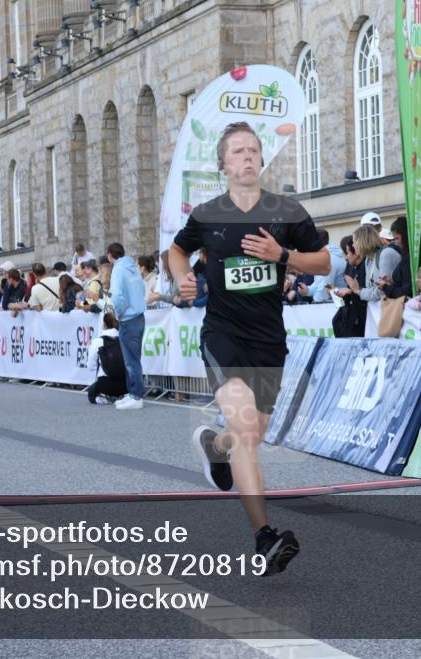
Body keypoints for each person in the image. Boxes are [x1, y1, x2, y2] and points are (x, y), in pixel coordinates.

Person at [169, 121, 329, 576]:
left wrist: (282, 256)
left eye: (253, 150)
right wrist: (180, 276)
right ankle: (264, 537)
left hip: (268, 338)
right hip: (223, 334)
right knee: (244, 428)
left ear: (261, 159)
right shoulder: (207, 214)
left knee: (248, 436)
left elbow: (323, 261)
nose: (247, 157)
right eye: (237, 151)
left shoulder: (286, 211)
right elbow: (177, 251)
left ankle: (215, 447)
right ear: (223, 165)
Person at [108, 242, 147, 410]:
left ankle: (136, 395)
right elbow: (142, 289)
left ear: (110, 255)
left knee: (131, 360)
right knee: (133, 358)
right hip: (139, 315)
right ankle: (132, 393)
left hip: (128, 318)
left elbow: (116, 296)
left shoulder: (118, 269)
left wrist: (119, 312)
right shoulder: (133, 267)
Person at [375, 216, 421, 299]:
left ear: (406, 236)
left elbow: (407, 291)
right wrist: (391, 283)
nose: (395, 243)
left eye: (397, 238)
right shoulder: (420, 253)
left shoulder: (415, 257)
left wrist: (386, 288)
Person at [87, 312, 127, 405]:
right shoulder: (124, 340)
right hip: (125, 385)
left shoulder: (97, 341)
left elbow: (91, 366)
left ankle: (104, 398)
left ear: (104, 324)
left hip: (105, 384)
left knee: (91, 394)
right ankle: (122, 396)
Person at [309, 228, 347, 304]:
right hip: (338, 303)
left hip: (336, 305)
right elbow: (321, 283)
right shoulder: (328, 256)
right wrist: (308, 290)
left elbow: (325, 286)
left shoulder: (327, 259)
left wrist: (316, 302)